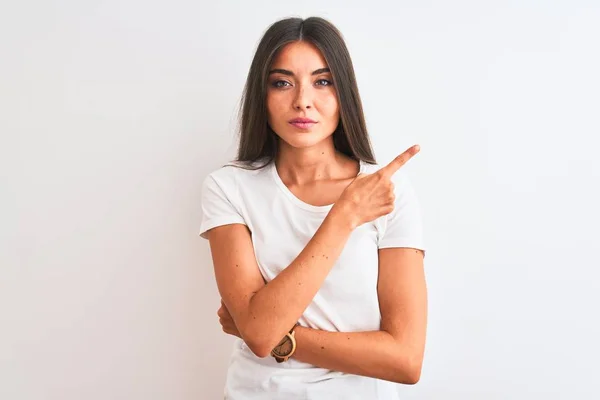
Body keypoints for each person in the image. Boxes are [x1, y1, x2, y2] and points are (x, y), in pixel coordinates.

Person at [199, 16, 427, 400]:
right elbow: (257, 334)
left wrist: (281, 337)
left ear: (344, 94)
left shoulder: (386, 190)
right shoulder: (228, 187)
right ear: (262, 95)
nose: (302, 100)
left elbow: (405, 360)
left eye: (323, 82)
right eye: (282, 82)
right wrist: (343, 216)